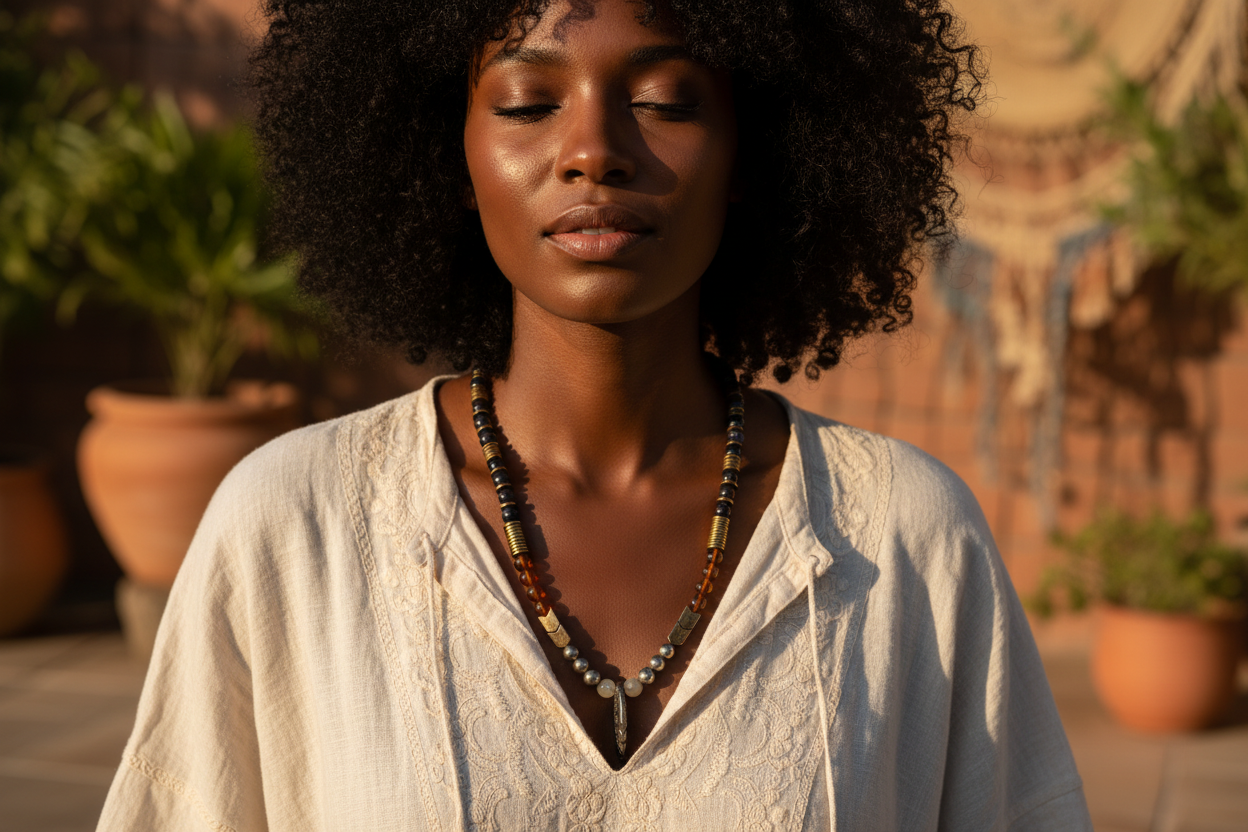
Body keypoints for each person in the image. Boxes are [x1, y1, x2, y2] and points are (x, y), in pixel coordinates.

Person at [98, 0, 1093, 829]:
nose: (594, 151)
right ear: (450, 151)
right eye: (529, 102)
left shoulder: (907, 537)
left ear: (755, 149)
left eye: (664, 100)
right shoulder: (294, 523)